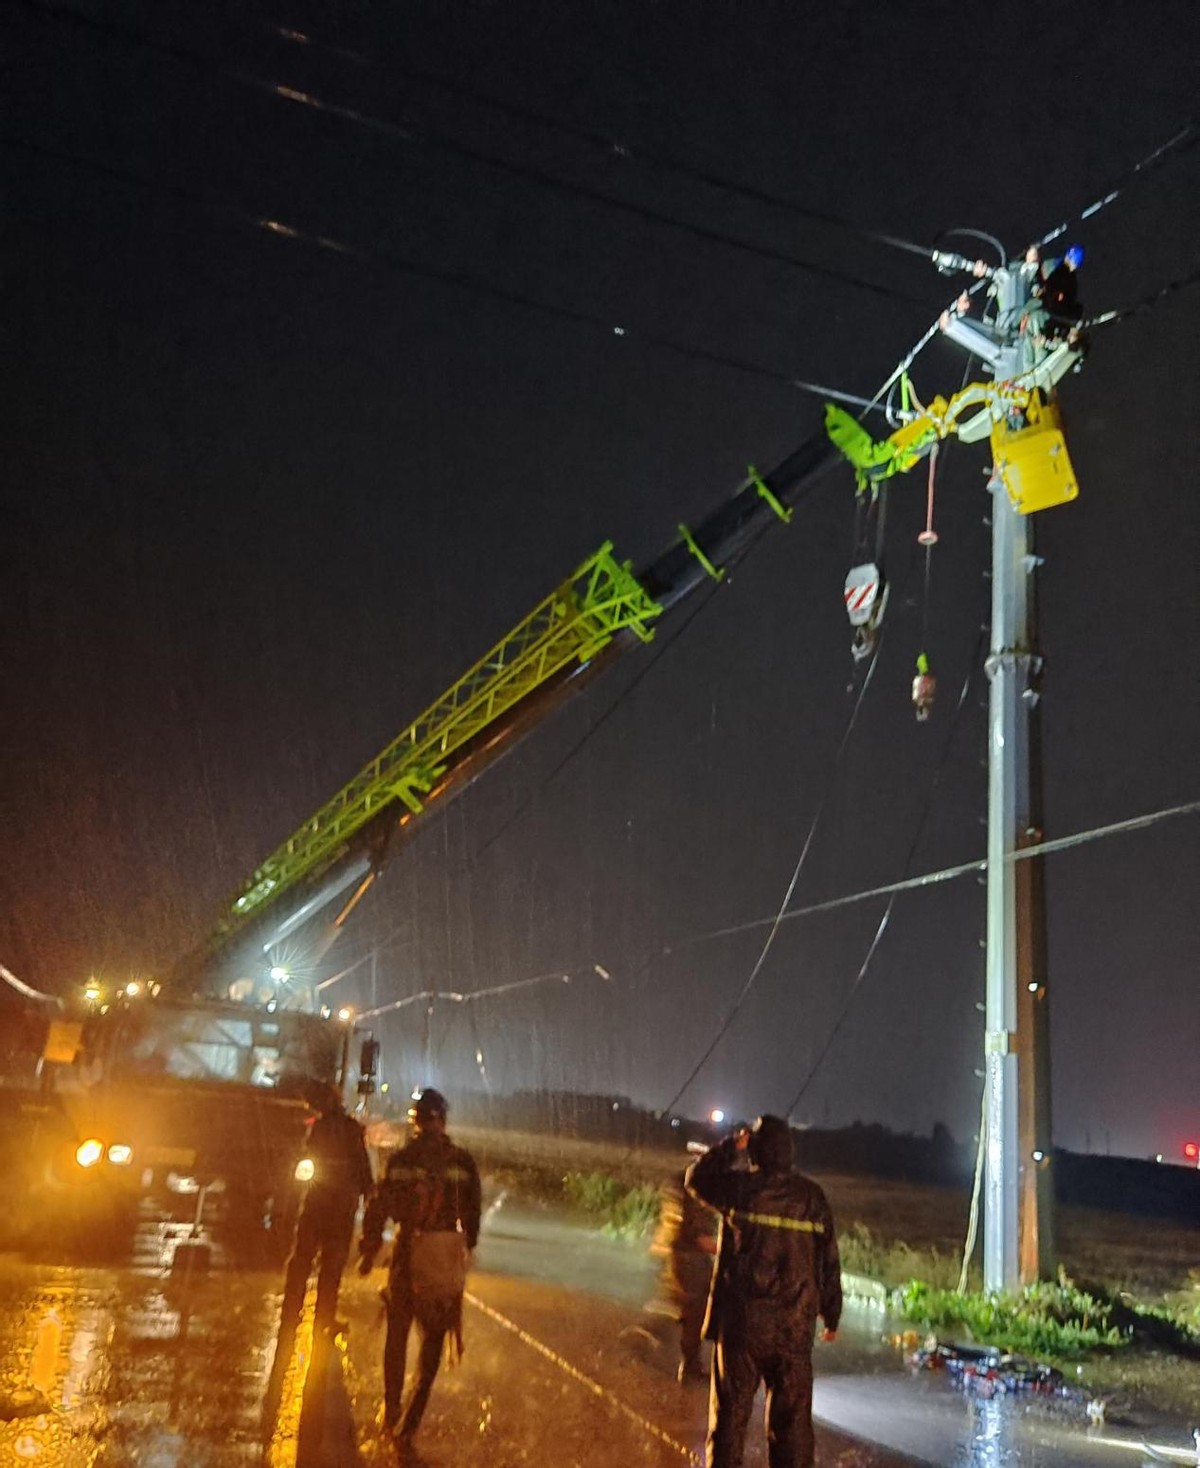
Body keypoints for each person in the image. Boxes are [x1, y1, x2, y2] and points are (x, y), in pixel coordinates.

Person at [686, 1115, 842, 1468]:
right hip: (794, 1327)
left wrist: (730, 1147)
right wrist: (831, 1313)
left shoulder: (740, 1190)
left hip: (743, 1327)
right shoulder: (812, 1197)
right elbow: (829, 1259)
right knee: (793, 1426)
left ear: (755, 1149)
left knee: (729, 1420)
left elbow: (696, 1179)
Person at [358, 1087, 482, 1445]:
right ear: (443, 1120)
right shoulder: (462, 1162)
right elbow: (472, 1214)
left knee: (397, 1336)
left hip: (407, 1257)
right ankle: (410, 1422)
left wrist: (369, 1249)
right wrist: (466, 1246)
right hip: (443, 1261)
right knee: (433, 1343)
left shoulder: (401, 1160)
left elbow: (379, 1208)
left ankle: (392, 1406)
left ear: (415, 1122)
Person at [278, 1080, 373, 1336]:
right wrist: (367, 1193)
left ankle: (291, 1311)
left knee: (302, 1259)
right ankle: (324, 1318)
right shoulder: (352, 1129)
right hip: (341, 1207)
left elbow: (307, 1159)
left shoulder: (319, 1129)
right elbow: (362, 1167)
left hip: (318, 1202)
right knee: (332, 1265)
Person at [653, 1161, 719, 1382]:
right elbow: (702, 1238)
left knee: (682, 1306)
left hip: (677, 1256)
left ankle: (651, 1334)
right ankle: (688, 1366)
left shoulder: (679, 1182)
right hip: (691, 1261)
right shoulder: (698, 1193)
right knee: (695, 1311)